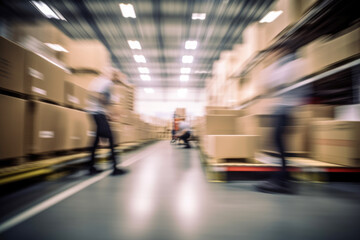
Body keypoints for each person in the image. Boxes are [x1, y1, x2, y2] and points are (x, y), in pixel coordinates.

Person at [255, 52, 310, 193]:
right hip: (284, 110)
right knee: (278, 145)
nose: (271, 57)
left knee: (278, 144)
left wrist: (270, 70)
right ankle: (283, 177)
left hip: (284, 110)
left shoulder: (290, 65)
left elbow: (271, 83)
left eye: (274, 54)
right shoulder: (290, 64)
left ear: (283, 51)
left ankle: (282, 180)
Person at [87, 67, 127, 175]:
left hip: (93, 112)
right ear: (114, 75)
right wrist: (109, 111)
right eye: (117, 76)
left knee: (96, 141)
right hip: (98, 113)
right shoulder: (107, 83)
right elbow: (100, 97)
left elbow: (92, 94)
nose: (117, 79)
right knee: (112, 138)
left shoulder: (97, 80)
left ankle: (91, 167)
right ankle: (115, 168)